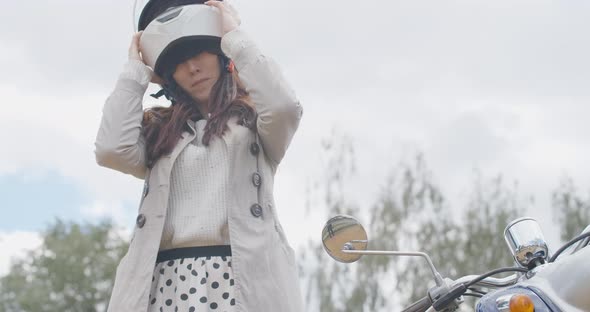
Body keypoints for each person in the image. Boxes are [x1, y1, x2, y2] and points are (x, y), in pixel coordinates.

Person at [94, 1, 303, 311]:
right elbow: (111, 149)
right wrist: (135, 71)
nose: (191, 68)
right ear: (167, 77)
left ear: (220, 54)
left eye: (199, 52)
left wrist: (234, 35)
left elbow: (284, 106)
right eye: (177, 62)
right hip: (163, 280)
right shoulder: (161, 134)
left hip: (243, 279)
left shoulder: (256, 124)